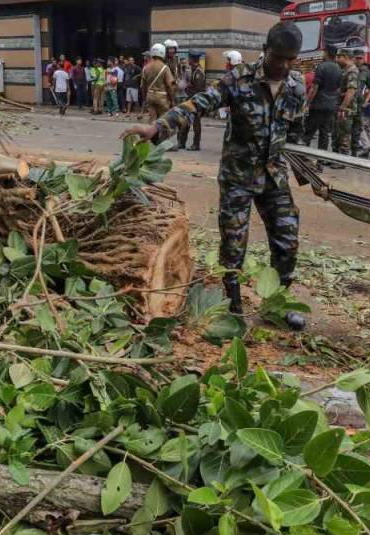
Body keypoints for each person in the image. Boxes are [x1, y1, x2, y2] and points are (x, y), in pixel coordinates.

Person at [123, 22, 308, 331]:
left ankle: (278, 303)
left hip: (274, 177)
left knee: (287, 242)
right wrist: (157, 128)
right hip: (238, 177)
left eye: (292, 59)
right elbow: (197, 104)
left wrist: (309, 173)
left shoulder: (296, 87)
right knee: (234, 246)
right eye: (279, 58)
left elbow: (297, 136)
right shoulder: (239, 80)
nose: (285, 66)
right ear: (265, 51)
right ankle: (233, 307)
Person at [303, 44, 342, 151]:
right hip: (331, 107)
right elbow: (338, 90)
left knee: (309, 131)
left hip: (318, 105)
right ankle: (321, 158)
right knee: (324, 133)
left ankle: (302, 155)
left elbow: (314, 88)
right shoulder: (339, 69)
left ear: (327, 53)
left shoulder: (321, 67)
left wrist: (307, 103)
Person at [333, 49, 364, 157]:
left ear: (345, 57)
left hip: (347, 109)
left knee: (343, 136)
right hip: (347, 108)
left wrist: (342, 107)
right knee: (339, 134)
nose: (336, 59)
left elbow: (351, 90)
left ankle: (342, 160)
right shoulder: (347, 70)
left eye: (338, 57)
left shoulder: (351, 71)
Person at [140, 44, 177, 123]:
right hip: (162, 97)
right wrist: (172, 100)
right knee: (162, 121)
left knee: (152, 120)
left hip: (150, 96)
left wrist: (144, 99)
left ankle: (152, 130)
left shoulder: (145, 68)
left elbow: (143, 86)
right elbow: (169, 85)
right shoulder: (165, 67)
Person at [177, 51, 206, 150]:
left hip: (196, 101)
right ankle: (182, 143)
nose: (188, 60)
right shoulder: (193, 71)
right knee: (186, 122)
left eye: (189, 58)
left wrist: (188, 89)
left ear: (193, 60)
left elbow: (198, 89)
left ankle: (196, 144)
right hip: (190, 100)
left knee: (196, 123)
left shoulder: (198, 73)